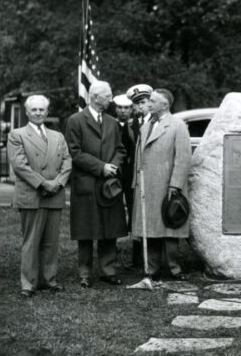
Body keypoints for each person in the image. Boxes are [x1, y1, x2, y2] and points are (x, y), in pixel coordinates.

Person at [8, 95, 72, 298]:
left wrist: (59, 183)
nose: (37, 113)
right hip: (32, 194)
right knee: (31, 241)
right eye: (34, 110)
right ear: (27, 112)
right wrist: (44, 183)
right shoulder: (17, 135)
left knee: (51, 241)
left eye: (41, 110)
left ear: (47, 112)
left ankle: (49, 279)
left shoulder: (58, 136)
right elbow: (20, 166)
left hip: (54, 194)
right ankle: (28, 283)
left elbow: (67, 161)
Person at [65, 81, 127, 288]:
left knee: (109, 229)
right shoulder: (75, 120)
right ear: (94, 97)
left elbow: (120, 149)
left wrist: (113, 166)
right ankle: (85, 273)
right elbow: (74, 152)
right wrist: (101, 167)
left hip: (109, 185)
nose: (111, 100)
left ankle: (108, 271)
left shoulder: (112, 122)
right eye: (107, 96)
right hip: (87, 184)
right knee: (86, 230)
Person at [132, 89, 191, 280]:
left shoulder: (177, 125)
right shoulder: (146, 125)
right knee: (150, 229)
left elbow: (183, 158)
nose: (148, 103)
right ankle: (151, 268)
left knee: (169, 225)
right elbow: (138, 157)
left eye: (153, 101)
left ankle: (174, 268)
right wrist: (136, 182)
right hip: (146, 186)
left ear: (164, 105)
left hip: (167, 185)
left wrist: (176, 185)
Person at [125, 84, 153, 267]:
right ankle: (137, 259)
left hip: (153, 177)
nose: (140, 107)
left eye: (143, 102)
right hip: (133, 178)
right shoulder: (130, 125)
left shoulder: (157, 122)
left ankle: (153, 258)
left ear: (151, 102)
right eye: (137, 104)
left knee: (152, 216)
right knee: (136, 216)